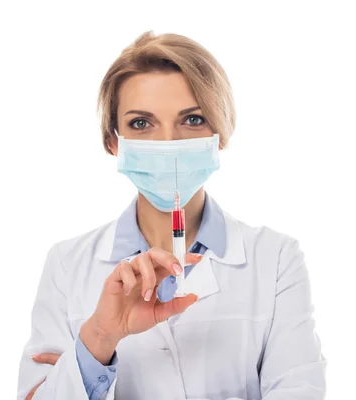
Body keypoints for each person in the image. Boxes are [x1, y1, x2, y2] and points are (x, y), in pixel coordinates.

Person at [17, 31, 326, 400]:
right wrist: (100, 335)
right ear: (114, 142)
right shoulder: (68, 265)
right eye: (141, 124)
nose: (168, 143)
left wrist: (73, 370)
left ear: (219, 135)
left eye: (192, 120)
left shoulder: (275, 258)